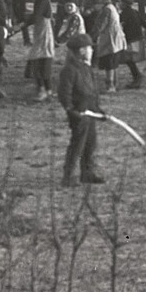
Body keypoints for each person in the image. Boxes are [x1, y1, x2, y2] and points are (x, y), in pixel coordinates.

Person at [57, 33, 105, 187]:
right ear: (82, 50)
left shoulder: (87, 69)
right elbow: (64, 94)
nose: (92, 51)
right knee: (77, 145)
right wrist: (71, 110)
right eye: (90, 48)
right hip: (78, 114)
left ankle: (87, 172)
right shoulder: (69, 70)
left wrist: (98, 110)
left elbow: (92, 93)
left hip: (90, 112)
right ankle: (68, 176)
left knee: (90, 143)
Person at [24, 0, 55, 101]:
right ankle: (47, 90)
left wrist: (23, 24)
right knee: (41, 58)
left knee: (38, 59)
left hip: (44, 32)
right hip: (40, 30)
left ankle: (43, 90)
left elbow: (36, 16)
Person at [93, 0, 127, 93]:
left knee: (109, 64)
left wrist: (92, 37)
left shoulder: (107, 9)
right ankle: (115, 83)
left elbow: (101, 25)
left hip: (110, 39)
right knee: (114, 63)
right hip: (117, 37)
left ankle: (110, 85)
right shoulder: (112, 6)